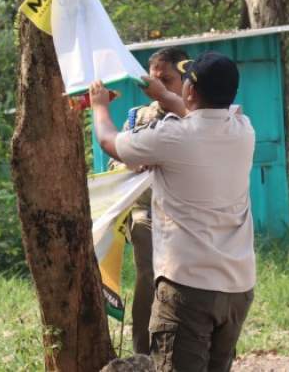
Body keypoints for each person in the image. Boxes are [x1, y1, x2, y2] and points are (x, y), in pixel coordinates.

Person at [90, 51, 255, 372]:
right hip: (237, 287)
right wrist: (165, 94)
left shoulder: (172, 136)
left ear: (190, 89)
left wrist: (99, 105)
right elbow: (200, 120)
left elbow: (110, 142)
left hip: (189, 288)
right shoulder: (243, 130)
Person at [116, 46, 188, 355]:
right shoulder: (137, 119)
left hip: (186, 216)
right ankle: (142, 352)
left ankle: (185, 348)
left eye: (167, 79)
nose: (157, 87)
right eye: (152, 81)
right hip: (145, 211)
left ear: (185, 79)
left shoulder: (195, 118)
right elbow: (115, 162)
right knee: (149, 275)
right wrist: (128, 163)